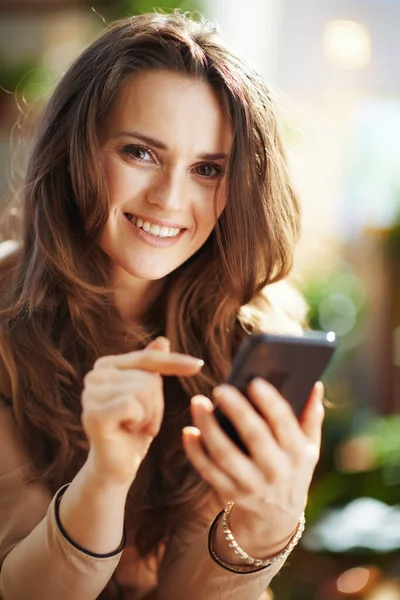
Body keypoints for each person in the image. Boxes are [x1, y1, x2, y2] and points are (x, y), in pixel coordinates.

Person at [0, 11, 325, 600]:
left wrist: (263, 524)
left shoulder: (251, 330)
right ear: (76, 150)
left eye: (207, 169)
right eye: (140, 153)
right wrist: (104, 479)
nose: (171, 200)